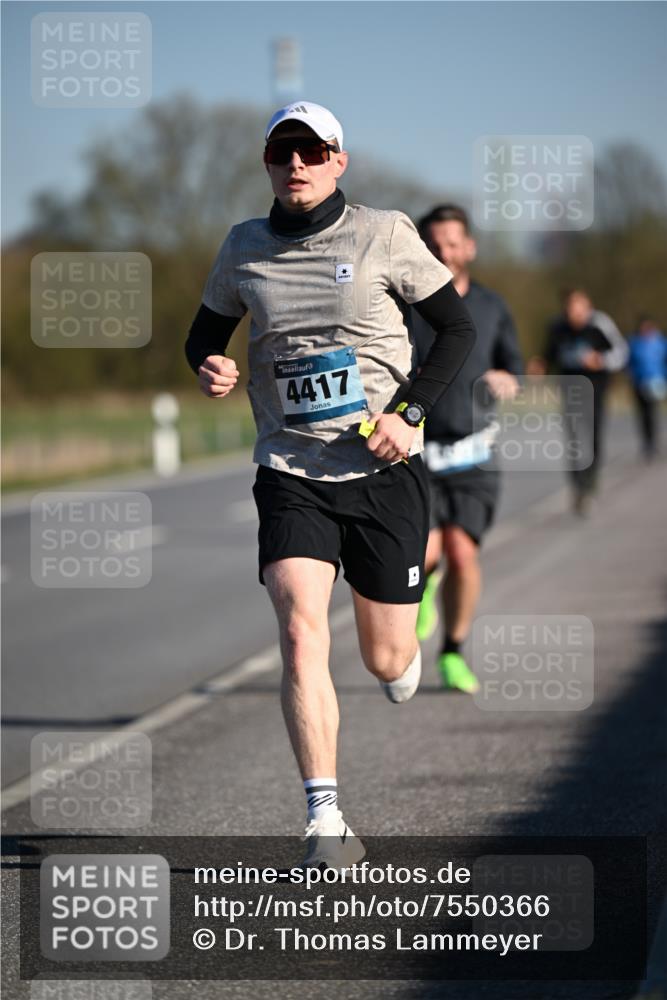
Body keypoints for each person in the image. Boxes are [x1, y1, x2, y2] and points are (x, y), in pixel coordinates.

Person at [184, 102, 475, 868]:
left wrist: (409, 412)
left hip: (382, 471)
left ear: (338, 160)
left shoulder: (384, 233)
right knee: (297, 631)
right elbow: (204, 336)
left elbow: (456, 330)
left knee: (384, 659)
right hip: (290, 471)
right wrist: (208, 365)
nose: (297, 166)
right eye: (283, 154)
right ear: (267, 166)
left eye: (313, 153)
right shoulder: (242, 247)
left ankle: (405, 653)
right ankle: (324, 819)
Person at [411, 204, 523, 693]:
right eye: (434, 244)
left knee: (462, 551)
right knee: (428, 549)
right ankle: (424, 583)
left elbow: (513, 366)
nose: (444, 252)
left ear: (469, 247)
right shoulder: (402, 305)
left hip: (473, 453)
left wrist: (505, 378)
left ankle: (452, 652)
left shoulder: (493, 306)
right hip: (416, 452)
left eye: (452, 243)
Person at [537, 288, 628, 515]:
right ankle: (578, 488)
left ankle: (590, 481)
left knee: (594, 436)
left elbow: (621, 352)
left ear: (588, 307)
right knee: (575, 440)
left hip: (596, 390)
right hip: (570, 390)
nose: (574, 313)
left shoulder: (600, 324)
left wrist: (600, 360)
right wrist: (540, 366)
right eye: (570, 308)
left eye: (579, 308)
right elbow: (548, 354)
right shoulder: (558, 327)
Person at [626, 315, 666, 461]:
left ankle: (654, 442)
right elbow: (628, 363)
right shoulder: (634, 343)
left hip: (657, 382)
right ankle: (647, 443)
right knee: (643, 414)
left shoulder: (661, 342)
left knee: (652, 413)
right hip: (639, 383)